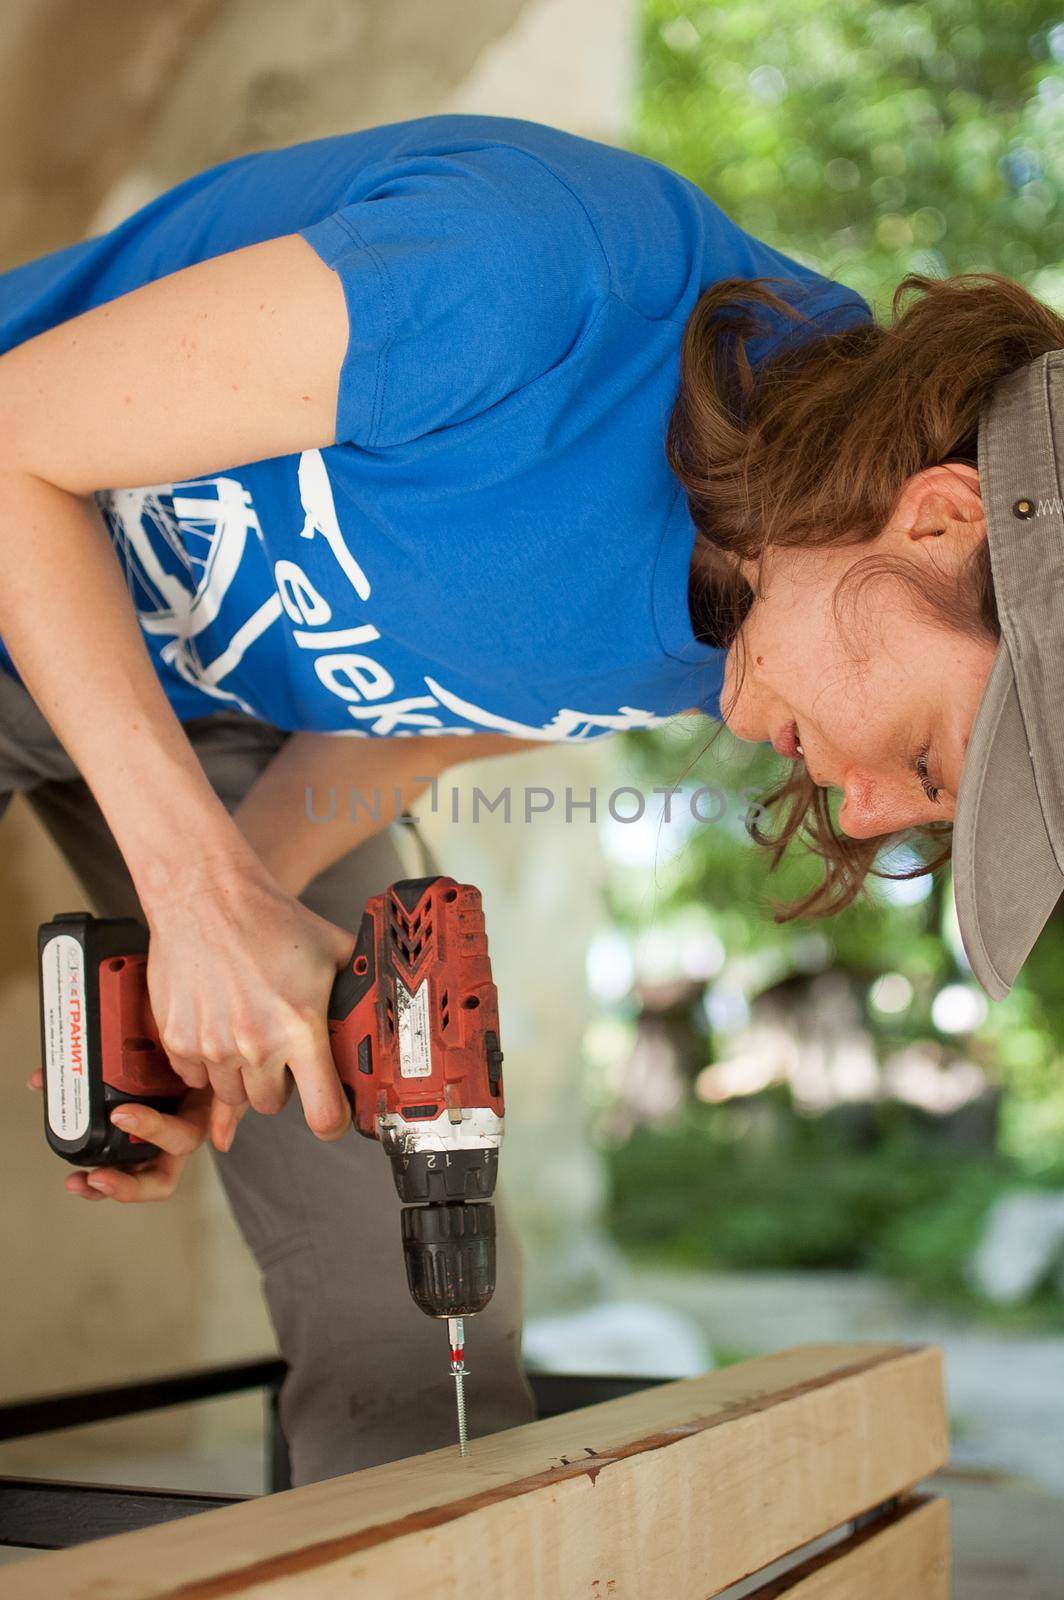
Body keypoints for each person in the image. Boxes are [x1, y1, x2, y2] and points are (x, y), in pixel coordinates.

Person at [1, 112, 1054, 1482]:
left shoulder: (746, 620)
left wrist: (209, 970)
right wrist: (196, 889)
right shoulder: (538, 280)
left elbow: (398, 737)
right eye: (921, 760)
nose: (858, 816)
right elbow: (15, 440)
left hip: (220, 711)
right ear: (939, 519)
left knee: (407, 1271)